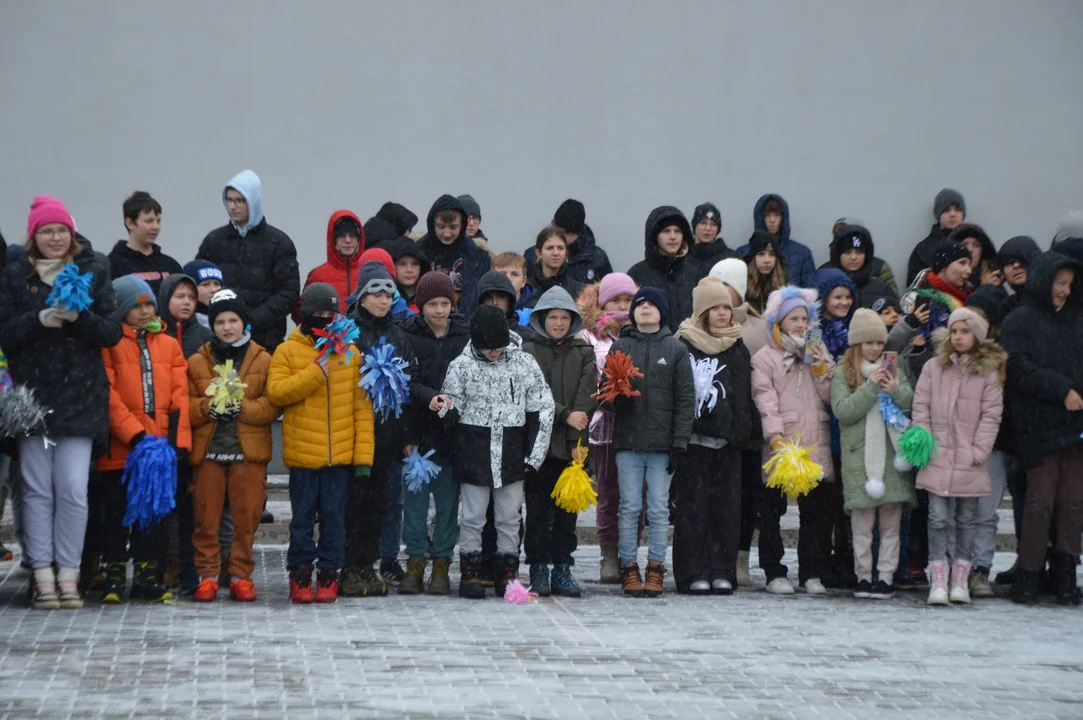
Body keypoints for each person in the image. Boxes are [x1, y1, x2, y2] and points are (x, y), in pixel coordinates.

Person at [0, 196, 123, 609]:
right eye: (47, 231)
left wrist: (78, 319)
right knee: (37, 491)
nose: (55, 237)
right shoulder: (16, 275)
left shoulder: (93, 270)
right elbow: (4, 333)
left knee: (72, 489)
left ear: (72, 234)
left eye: (62, 230)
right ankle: (41, 575)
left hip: (80, 395)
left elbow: (111, 332)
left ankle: (69, 575)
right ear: (34, 236)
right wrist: (38, 320)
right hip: (31, 399)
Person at [266, 283, 375, 604]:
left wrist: (363, 459)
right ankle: (299, 573)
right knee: (301, 521)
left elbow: (361, 409)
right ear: (304, 315)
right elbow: (278, 393)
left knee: (334, 519)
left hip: (339, 458)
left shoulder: (350, 353)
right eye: (318, 314)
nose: (325, 319)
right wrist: (315, 372)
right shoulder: (287, 350)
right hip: (302, 459)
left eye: (331, 314)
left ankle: (329, 572)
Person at [443, 305, 555, 599]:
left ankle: (508, 571)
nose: (494, 354)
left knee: (509, 516)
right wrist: (444, 409)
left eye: (499, 348)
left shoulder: (524, 364)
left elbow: (543, 407)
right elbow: (450, 405)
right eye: (488, 349)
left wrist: (534, 455)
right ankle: (470, 570)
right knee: (472, 516)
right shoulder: (461, 366)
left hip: (511, 451)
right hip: (474, 450)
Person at [96, 275, 191, 604]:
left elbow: (180, 396)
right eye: (137, 306)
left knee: (154, 517)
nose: (145, 311)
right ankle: (113, 574)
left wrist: (176, 443)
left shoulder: (168, 344)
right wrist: (134, 435)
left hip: (160, 453)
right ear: (120, 309)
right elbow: (107, 396)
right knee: (116, 515)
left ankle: (149, 576)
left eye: (149, 304)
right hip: (122, 452)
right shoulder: (109, 344)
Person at [999, 251, 1083, 606]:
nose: (1063, 291)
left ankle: (1065, 574)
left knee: (1073, 502)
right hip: (1037, 426)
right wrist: (1060, 389)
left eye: (1069, 285)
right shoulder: (1020, 320)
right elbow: (1017, 366)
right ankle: (1029, 575)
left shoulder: (1076, 322)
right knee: (1039, 502)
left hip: (1074, 425)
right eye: (1058, 283)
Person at [186, 289, 280, 602]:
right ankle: (208, 576)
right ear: (212, 325)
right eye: (221, 321)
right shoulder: (198, 360)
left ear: (244, 323)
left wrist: (245, 408)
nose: (227, 327)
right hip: (208, 452)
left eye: (233, 320)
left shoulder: (263, 358)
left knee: (246, 517)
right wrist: (205, 408)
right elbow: (182, 404)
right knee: (206, 519)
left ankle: (241, 576)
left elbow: (273, 405)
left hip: (247, 453)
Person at [912, 307, 1004, 605]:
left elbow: (991, 415)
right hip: (937, 454)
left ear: (976, 336)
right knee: (937, 517)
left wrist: (979, 450)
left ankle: (960, 577)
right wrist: (923, 439)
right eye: (954, 331)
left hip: (969, 458)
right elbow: (921, 406)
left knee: (966, 519)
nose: (959, 337)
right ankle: (938, 575)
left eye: (965, 331)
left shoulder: (987, 372)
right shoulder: (933, 367)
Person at [608, 288, 695, 599]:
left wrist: (679, 442)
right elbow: (605, 393)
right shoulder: (620, 346)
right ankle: (628, 567)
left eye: (651, 304)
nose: (645, 308)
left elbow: (686, 399)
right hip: (629, 443)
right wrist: (617, 399)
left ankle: (656, 567)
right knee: (629, 507)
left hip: (662, 447)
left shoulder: (675, 350)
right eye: (639, 304)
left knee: (658, 509)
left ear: (662, 312)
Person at [672, 276, 757, 595]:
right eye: (715, 308)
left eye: (726, 307)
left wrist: (742, 428)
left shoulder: (737, 346)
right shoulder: (685, 343)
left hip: (728, 443)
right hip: (694, 443)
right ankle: (692, 571)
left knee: (726, 510)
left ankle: (722, 569)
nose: (722, 313)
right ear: (702, 311)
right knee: (693, 511)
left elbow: (742, 393)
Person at [341, 263, 420, 597]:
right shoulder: (347, 332)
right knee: (352, 504)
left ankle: (367, 566)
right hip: (353, 434)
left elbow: (410, 390)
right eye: (376, 293)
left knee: (379, 506)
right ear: (362, 296)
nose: (383, 299)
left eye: (389, 293)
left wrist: (408, 437)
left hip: (387, 436)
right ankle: (348, 567)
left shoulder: (400, 334)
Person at [751, 286, 835, 595]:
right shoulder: (765, 358)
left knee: (813, 513)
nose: (801, 324)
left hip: (814, 442)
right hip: (782, 445)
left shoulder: (818, 351)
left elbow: (829, 397)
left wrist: (821, 367)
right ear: (779, 321)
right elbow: (765, 399)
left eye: (805, 318)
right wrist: (774, 436)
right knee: (772, 512)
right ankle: (774, 570)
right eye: (794, 318)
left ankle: (811, 571)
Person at [831, 309, 916, 600]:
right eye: (868, 342)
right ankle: (863, 576)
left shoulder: (894, 367)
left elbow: (910, 403)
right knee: (862, 526)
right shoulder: (844, 372)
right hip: (860, 459)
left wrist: (895, 391)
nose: (875, 348)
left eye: (879, 342)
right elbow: (844, 411)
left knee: (891, 524)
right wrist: (870, 387)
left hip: (893, 457)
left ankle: (886, 577)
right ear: (857, 345)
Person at [397, 273, 470, 595]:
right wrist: (429, 399)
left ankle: (442, 562)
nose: (439, 310)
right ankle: (415, 560)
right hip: (417, 434)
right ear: (420, 305)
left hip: (452, 436)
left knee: (447, 504)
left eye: (444, 303)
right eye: (432, 304)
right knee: (414, 503)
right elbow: (406, 383)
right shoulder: (406, 335)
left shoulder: (464, 336)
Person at [521, 287, 597, 597]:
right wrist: (564, 414)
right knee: (538, 511)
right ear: (541, 319)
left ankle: (562, 567)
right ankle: (538, 566)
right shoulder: (528, 350)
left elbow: (586, 397)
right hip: (536, 446)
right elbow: (532, 396)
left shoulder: (583, 351)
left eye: (564, 317)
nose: (558, 323)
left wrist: (575, 439)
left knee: (567, 514)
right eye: (552, 317)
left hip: (570, 447)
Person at [708, 258, 768, 587]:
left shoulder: (759, 328)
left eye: (725, 286)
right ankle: (713, 554)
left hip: (749, 427)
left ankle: (740, 556)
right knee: (714, 494)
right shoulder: (699, 324)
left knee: (746, 495)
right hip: (714, 425)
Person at [575, 272, 637, 583]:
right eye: (616, 300)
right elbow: (584, 379)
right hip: (604, 426)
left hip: (640, 425)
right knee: (610, 493)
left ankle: (631, 554)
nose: (623, 306)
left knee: (636, 494)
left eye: (628, 300)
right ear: (602, 302)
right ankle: (609, 555)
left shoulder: (644, 332)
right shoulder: (589, 338)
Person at [197, 169, 300, 353]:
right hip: (220, 344)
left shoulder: (279, 243)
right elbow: (197, 284)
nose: (233, 206)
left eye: (240, 200)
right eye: (229, 200)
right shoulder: (214, 241)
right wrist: (221, 321)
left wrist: (250, 322)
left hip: (265, 343)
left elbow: (288, 293)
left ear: (253, 201)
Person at [156, 273, 215, 593]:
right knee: (164, 504)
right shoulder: (155, 335)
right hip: (159, 433)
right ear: (165, 299)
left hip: (196, 432)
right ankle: (167, 562)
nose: (187, 302)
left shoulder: (205, 338)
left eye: (191, 297)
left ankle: (192, 566)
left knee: (192, 505)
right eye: (179, 296)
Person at [813, 268, 858, 588]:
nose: (842, 302)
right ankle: (823, 556)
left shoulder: (857, 331)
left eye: (847, 297)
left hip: (852, 422)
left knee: (848, 495)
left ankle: (846, 556)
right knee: (825, 498)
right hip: (824, 420)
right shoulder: (814, 333)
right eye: (836, 297)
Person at [900, 242, 974, 381]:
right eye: (962, 263)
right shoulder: (918, 299)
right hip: (927, 378)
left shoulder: (969, 298)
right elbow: (909, 347)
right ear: (944, 266)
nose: (968, 270)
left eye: (970, 264)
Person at [417, 195, 491, 314]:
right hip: (424, 327)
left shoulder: (479, 257)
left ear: (462, 225)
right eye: (441, 226)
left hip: (465, 327)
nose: (447, 234)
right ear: (432, 225)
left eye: (453, 227)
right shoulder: (417, 253)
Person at [627, 206, 697, 331]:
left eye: (678, 231)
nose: (673, 237)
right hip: (649, 347)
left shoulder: (694, 272)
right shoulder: (637, 274)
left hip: (690, 347)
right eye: (666, 231)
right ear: (654, 236)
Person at [295, 210, 366, 323]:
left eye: (352, 235)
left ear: (359, 239)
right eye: (342, 236)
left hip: (364, 339)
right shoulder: (318, 275)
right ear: (334, 240)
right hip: (327, 338)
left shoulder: (370, 272)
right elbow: (301, 311)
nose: (348, 240)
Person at [107, 191, 183, 296]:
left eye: (158, 221)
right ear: (130, 223)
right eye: (149, 221)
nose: (155, 227)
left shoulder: (170, 265)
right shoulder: (112, 265)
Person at [524, 199, 612, 284]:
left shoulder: (597, 258)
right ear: (553, 223)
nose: (563, 238)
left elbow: (611, 292)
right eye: (560, 231)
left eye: (570, 234)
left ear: (579, 233)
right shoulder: (532, 256)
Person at [735, 195, 815, 287]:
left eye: (777, 215)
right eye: (766, 215)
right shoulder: (743, 253)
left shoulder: (802, 253)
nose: (772, 220)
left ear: (783, 217)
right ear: (760, 218)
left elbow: (810, 293)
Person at [823, 221, 898, 301]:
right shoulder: (823, 275)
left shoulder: (881, 281)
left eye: (859, 252)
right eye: (847, 252)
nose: (853, 257)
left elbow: (893, 307)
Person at [907, 188, 966, 286]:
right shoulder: (924, 249)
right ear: (938, 215)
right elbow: (914, 288)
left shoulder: (972, 244)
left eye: (957, 209)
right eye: (946, 210)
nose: (952, 214)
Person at [520, 226, 587, 309]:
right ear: (538, 253)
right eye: (550, 248)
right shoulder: (526, 290)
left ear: (566, 253)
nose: (556, 253)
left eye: (560, 248)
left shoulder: (580, 291)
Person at [743, 230, 788, 315]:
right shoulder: (741, 287)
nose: (767, 260)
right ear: (753, 258)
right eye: (761, 254)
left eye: (771, 255)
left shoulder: (786, 288)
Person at [996, 235, 1040, 318]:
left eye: (1022, 258)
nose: (1016, 265)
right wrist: (991, 291)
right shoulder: (1005, 309)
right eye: (1009, 262)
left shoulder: (1057, 298)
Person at [688, 202, 738, 275]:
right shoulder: (682, 257)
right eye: (703, 223)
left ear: (718, 230)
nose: (708, 228)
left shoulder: (731, 259)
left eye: (713, 224)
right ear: (694, 227)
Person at [386, 235, 430, 314]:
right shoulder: (385, 299)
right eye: (402, 264)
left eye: (415, 264)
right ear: (393, 266)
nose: (409, 270)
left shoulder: (430, 296)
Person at [949, 224, 998, 291]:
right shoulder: (943, 284)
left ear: (982, 252)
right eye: (964, 244)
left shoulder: (994, 283)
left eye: (976, 245)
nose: (970, 249)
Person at [182, 259, 224, 330]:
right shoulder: (181, 324)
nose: (213, 290)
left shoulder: (235, 318)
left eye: (217, 284)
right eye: (205, 284)